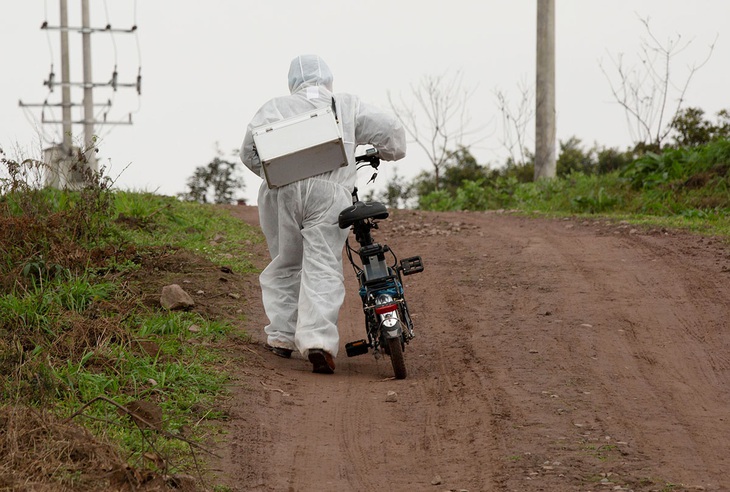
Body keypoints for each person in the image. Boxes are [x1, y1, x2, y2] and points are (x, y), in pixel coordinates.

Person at [240, 54, 406, 374]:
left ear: (292, 84)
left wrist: (275, 174)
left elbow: (249, 152)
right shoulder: (346, 105)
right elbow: (393, 135)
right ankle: (317, 341)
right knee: (322, 263)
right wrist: (385, 152)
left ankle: (282, 338)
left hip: (281, 191)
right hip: (329, 193)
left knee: (285, 262)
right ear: (329, 80)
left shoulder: (273, 107)